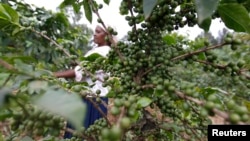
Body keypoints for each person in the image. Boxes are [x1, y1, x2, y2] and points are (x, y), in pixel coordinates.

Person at [54, 25, 116, 138]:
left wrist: (54, 75)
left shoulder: (102, 52)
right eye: (95, 32)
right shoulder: (104, 51)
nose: (94, 34)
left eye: (98, 32)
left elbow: (80, 71)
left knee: (80, 134)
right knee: (90, 134)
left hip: (90, 99)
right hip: (98, 98)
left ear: (107, 37)